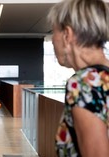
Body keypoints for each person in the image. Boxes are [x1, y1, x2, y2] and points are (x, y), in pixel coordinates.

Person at [47, 0, 109, 156]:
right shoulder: (103, 78)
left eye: (53, 32)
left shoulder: (84, 83)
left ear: (67, 35)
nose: (53, 40)